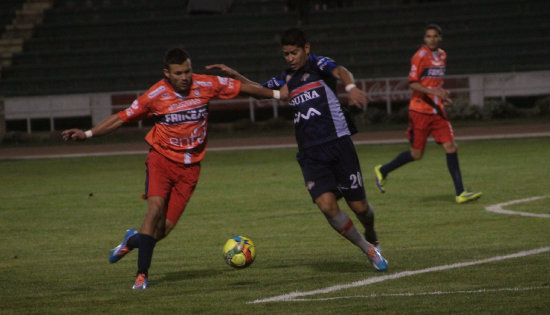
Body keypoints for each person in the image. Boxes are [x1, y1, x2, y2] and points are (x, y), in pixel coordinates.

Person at [61, 48, 283, 290]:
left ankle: (132, 240)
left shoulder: (206, 84)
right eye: (179, 73)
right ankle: (141, 276)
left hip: (190, 169)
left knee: (162, 231)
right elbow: (121, 118)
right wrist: (88, 133)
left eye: (187, 71)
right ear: (167, 73)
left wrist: (278, 95)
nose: (185, 77)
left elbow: (244, 89)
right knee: (154, 211)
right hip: (161, 161)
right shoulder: (155, 95)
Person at [207, 27, 387, 271]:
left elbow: (342, 71)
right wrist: (235, 76)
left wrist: (351, 87)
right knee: (326, 206)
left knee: (360, 208)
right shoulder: (286, 79)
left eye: (294, 53)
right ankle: (368, 248)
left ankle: (371, 231)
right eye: (286, 54)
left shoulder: (319, 66)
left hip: (339, 145)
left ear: (306, 49)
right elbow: (261, 92)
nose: (290, 58)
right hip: (310, 154)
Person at [373, 24, 482, 204]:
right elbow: (413, 83)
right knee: (416, 155)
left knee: (451, 147)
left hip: (437, 111)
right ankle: (383, 170)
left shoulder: (443, 55)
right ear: (425, 39)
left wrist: (442, 95)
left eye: (435, 36)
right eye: (428, 36)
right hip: (420, 111)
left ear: (440, 38)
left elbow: (435, 83)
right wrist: (434, 93)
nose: (432, 39)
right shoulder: (419, 56)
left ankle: (460, 192)